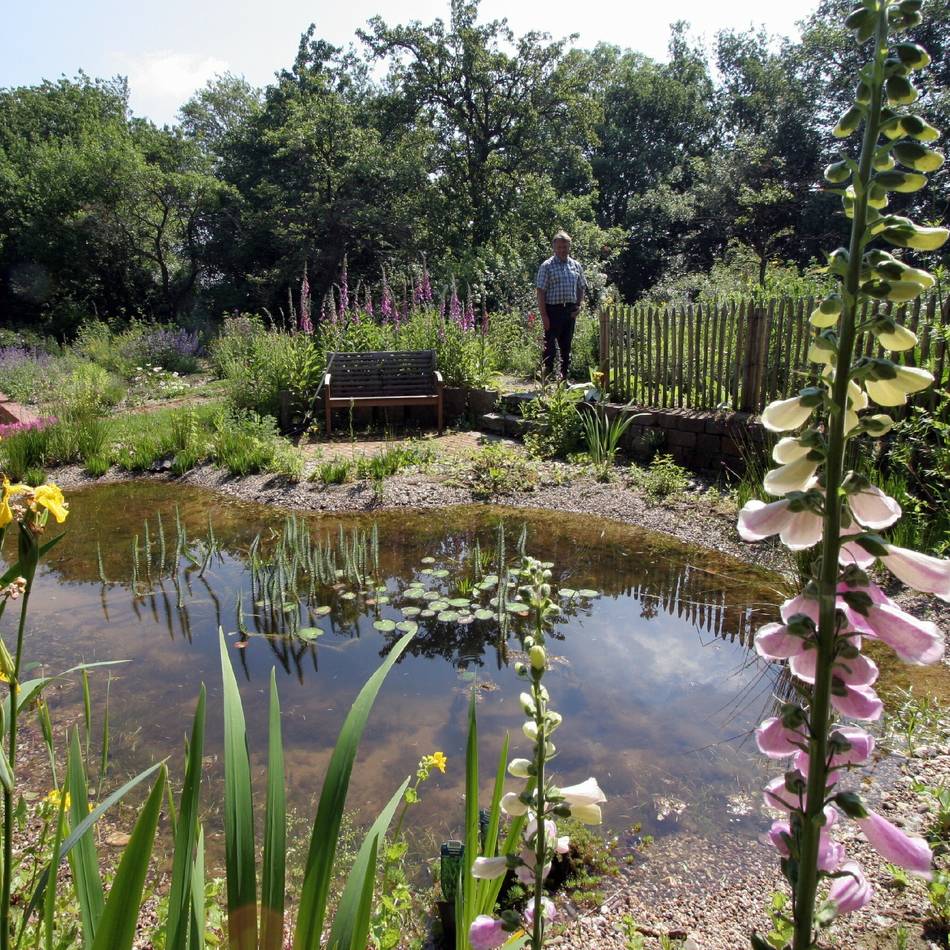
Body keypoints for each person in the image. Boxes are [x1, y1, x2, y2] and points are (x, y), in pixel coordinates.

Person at [535, 230, 587, 380]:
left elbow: (581, 286)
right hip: (552, 311)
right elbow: (540, 292)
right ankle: (547, 378)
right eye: (559, 247)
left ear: (569, 247)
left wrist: (579, 306)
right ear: (554, 248)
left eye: (565, 247)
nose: (562, 250)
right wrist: (544, 315)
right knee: (549, 347)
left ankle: (564, 378)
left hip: (570, 310)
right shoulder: (547, 266)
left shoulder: (576, 265)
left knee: (566, 347)